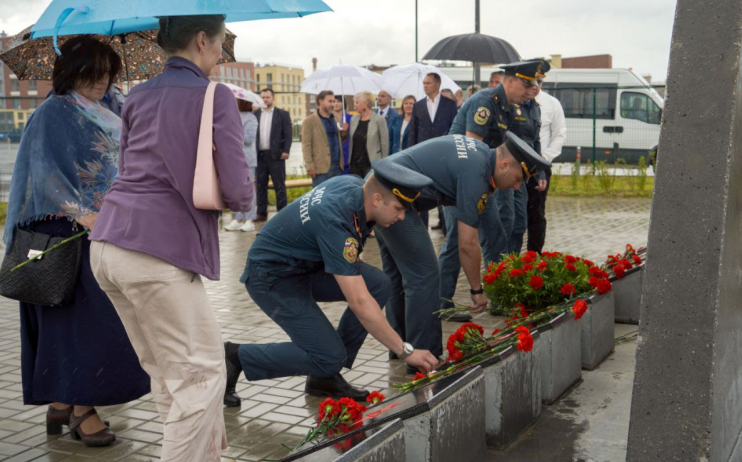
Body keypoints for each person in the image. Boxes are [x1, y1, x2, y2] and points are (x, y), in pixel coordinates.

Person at [90, 14, 255, 461]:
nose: (221, 55)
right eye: (220, 44)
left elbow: (126, 167)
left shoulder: (138, 95)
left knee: (167, 374)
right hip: (157, 252)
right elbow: (240, 193)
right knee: (202, 377)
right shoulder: (214, 96)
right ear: (202, 40)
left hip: (108, 244)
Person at [3, 36, 149, 447]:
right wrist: (84, 212)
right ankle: (83, 409)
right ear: (72, 71)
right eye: (94, 72)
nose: (102, 80)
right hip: (67, 235)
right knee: (85, 326)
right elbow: (44, 172)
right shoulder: (52, 111)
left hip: (109, 230)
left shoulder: (115, 108)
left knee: (97, 324)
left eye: (108, 72)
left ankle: (62, 402)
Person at [223, 161, 440, 404]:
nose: (401, 217)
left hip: (301, 267)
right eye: (399, 208)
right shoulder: (336, 219)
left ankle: (324, 377)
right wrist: (405, 350)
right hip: (271, 278)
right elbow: (359, 302)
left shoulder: (353, 187)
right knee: (330, 352)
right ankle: (235, 357)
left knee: (378, 284)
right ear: (377, 200)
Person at [376, 132, 548, 366]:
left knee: (398, 273)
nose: (517, 187)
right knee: (425, 275)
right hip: (392, 198)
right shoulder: (476, 173)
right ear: (505, 163)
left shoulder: (479, 154)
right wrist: (477, 290)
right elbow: (467, 244)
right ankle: (425, 355)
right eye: (518, 178)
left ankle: (400, 347)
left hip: (380, 187)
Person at [441, 61, 545, 320]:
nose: (531, 90)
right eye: (527, 84)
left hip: (483, 179)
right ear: (509, 82)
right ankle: (442, 302)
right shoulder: (485, 102)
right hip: (460, 181)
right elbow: (471, 147)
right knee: (457, 240)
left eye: (534, 85)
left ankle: (498, 296)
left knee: (497, 234)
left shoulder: (509, 107)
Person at [504, 60, 550, 255]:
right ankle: (502, 263)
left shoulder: (535, 108)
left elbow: (535, 142)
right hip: (507, 171)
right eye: (531, 84)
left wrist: (540, 172)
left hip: (525, 173)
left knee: (521, 222)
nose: (534, 88)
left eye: (538, 84)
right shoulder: (513, 105)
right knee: (507, 220)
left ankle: (512, 262)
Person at [410, 73, 457, 228]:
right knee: (422, 191)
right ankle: (422, 228)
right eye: (423, 83)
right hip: (422, 156)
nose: (425, 85)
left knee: (442, 190)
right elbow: (413, 132)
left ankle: (445, 226)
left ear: (437, 85)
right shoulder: (418, 106)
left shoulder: (450, 105)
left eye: (428, 83)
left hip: (443, 155)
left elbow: (454, 130)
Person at [527, 85, 567, 253]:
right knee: (513, 215)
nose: (535, 85)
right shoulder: (515, 101)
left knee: (536, 213)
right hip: (515, 166)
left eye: (539, 80)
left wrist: (545, 158)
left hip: (539, 167)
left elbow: (560, 133)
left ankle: (534, 256)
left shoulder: (551, 103)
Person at [254, 88, 293, 222]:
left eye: (267, 97)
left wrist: (286, 151)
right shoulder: (255, 114)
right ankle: (261, 213)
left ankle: (282, 213)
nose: (265, 100)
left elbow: (288, 134)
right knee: (260, 185)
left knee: (279, 185)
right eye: (263, 97)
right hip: (259, 156)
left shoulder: (282, 114)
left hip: (276, 156)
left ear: (273, 98)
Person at [226, 98, 259, 231]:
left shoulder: (251, 118)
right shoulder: (234, 116)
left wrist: (231, 134)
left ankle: (250, 219)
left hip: (247, 159)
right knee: (236, 189)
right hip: (234, 158)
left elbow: (249, 138)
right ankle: (238, 218)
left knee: (249, 189)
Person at [302, 90, 343, 187]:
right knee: (320, 199)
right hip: (320, 169)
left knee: (336, 198)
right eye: (330, 101)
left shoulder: (336, 119)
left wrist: (344, 133)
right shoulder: (309, 121)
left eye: (333, 101)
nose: (333, 104)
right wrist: (310, 166)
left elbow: (339, 141)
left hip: (338, 167)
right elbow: (306, 145)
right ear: (320, 102)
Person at [349, 91, 389, 179]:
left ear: (365, 104)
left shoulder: (379, 120)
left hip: (371, 164)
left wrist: (383, 164)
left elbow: (384, 144)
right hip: (355, 164)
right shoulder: (353, 120)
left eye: (357, 102)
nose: (354, 105)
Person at [377, 90, 403, 154]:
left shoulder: (396, 115)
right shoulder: (372, 114)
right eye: (379, 96)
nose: (379, 98)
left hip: (388, 152)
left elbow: (395, 138)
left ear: (390, 99)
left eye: (383, 96)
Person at [334, 95, 352, 172]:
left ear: (343, 103)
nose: (336, 104)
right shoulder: (329, 119)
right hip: (335, 154)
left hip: (347, 152)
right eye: (334, 101)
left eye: (338, 101)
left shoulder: (351, 118)